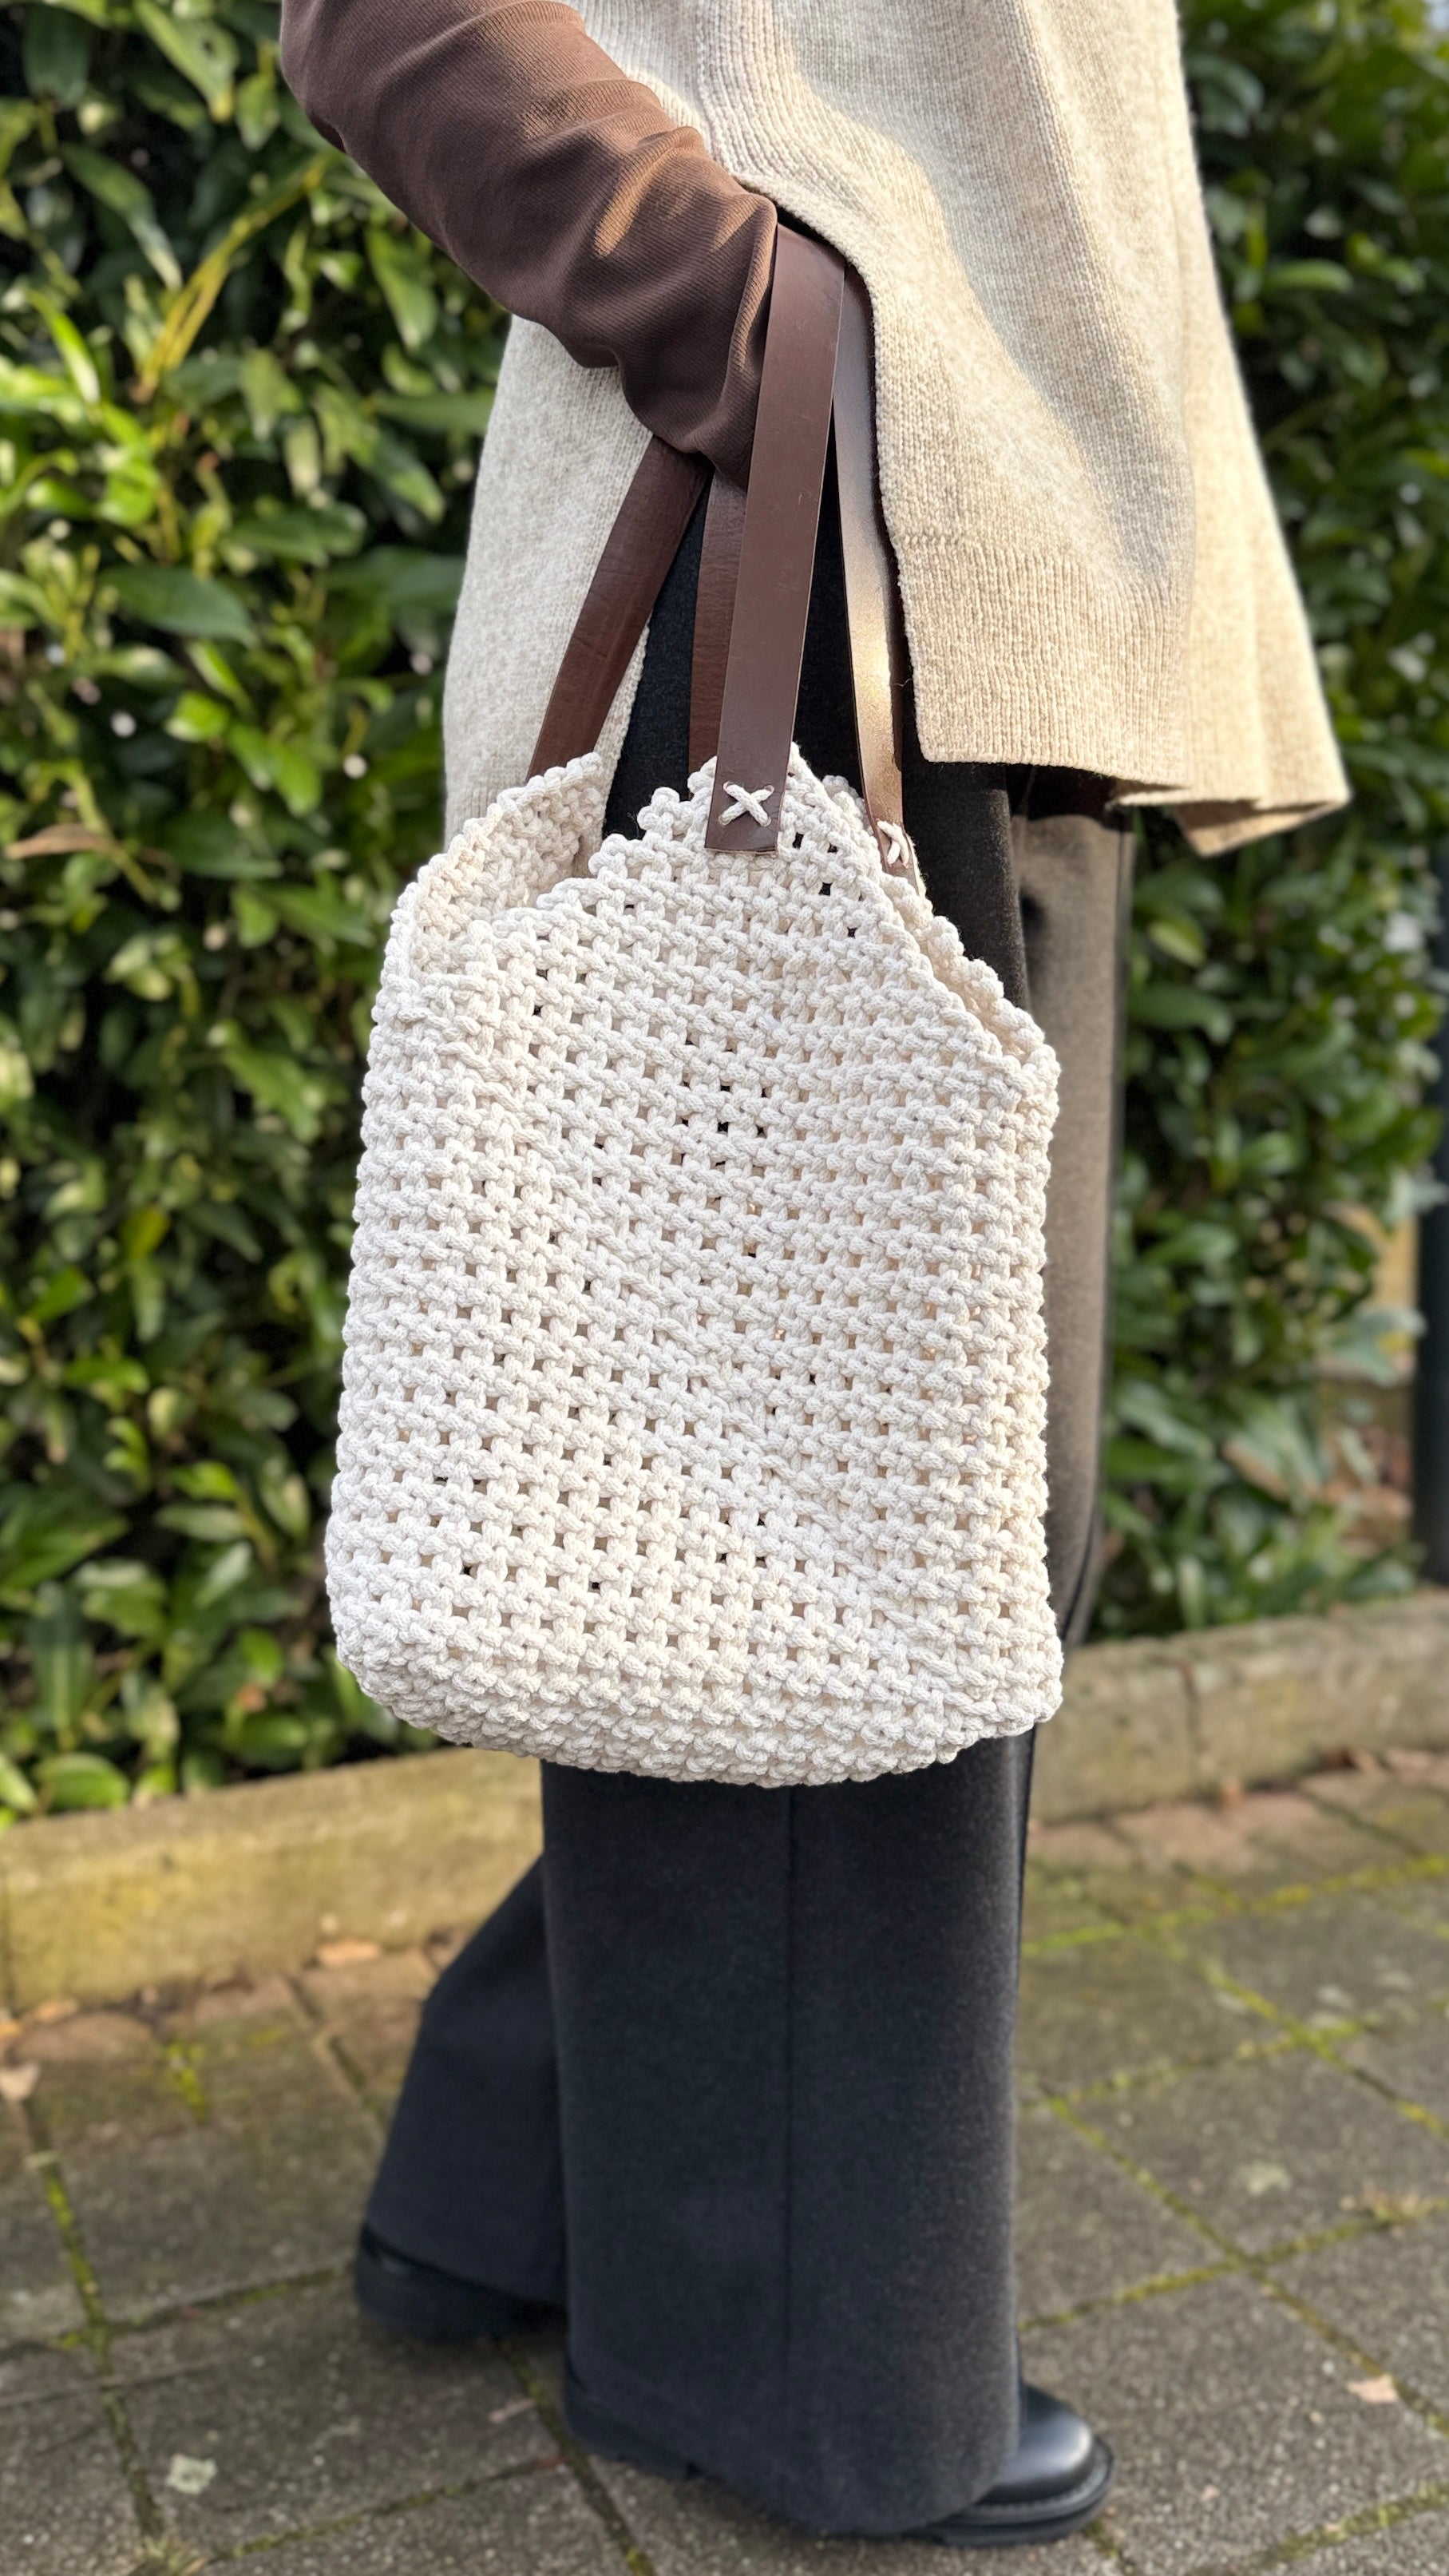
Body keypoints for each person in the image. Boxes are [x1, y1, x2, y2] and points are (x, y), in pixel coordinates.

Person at [277, 0, 1348, 2548]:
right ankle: (790, 2365)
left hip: (955, 542)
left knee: (845, 1505)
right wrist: (746, 301)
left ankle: (513, 2169)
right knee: (882, 1512)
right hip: (812, 514)